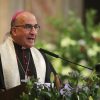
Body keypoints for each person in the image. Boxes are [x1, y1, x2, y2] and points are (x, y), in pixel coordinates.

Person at [0, 11, 58, 90]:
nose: (33, 32)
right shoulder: (1, 54)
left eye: (36, 27)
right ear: (14, 31)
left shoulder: (41, 57)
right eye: (28, 27)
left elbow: (54, 87)